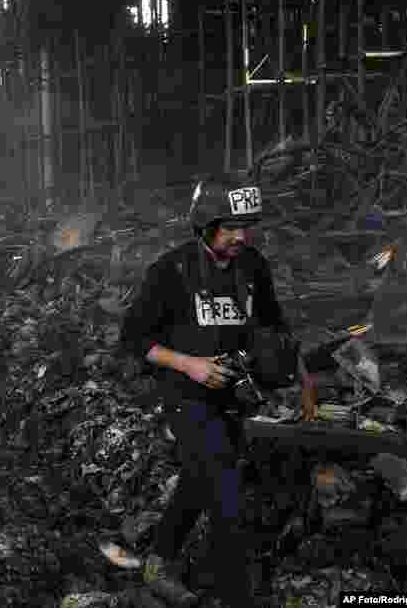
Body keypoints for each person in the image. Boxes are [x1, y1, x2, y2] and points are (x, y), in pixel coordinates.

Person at [120, 173, 293, 608]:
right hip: (187, 397)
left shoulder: (253, 266)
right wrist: (190, 365)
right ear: (204, 224)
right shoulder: (171, 270)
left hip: (234, 396)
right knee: (226, 493)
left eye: (244, 226)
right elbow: (134, 340)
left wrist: (300, 382)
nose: (240, 236)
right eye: (229, 227)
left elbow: (274, 326)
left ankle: (157, 563)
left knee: (199, 482)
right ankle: (234, 596)